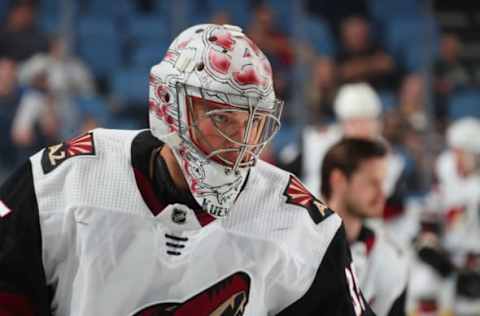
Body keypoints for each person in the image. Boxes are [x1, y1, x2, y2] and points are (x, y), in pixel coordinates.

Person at [0, 23, 375, 315]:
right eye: (224, 117)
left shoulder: (303, 227)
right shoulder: (62, 182)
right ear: (169, 105)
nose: (242, 140)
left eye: (254, 121)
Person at [321, 138, 409, 316]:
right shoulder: (296, 242)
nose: (382, 193)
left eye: (383, 182)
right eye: (372, 182)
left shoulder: (391, 257)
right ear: (338, 180)